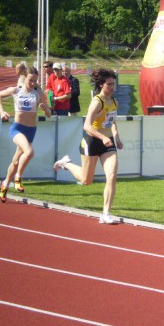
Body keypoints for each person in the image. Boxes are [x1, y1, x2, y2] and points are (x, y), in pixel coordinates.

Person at [53, 69, 123, 224]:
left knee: (111, 176)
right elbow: (87, 126)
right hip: (91, 141)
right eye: (109, 84)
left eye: (113, 84)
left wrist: (116, 137)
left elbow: (112, 122)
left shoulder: (114, 101)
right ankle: (66, 163)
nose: (112, 87)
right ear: (101, 85)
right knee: (86, 180)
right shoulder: (97, 101)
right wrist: (103, 137)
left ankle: (105, 213)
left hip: (108, 143)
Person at [0, 66, 51, 203]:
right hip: (17, 128)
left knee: (15, 161)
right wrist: (2, 112)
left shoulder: (38, 92)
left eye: (35, 80)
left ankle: (5, 185)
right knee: (29, 152)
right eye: (30, 80)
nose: (32, 83)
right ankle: (18, 177)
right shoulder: (17, 90)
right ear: (24, 78)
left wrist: (45, 109)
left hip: (31, 130)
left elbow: (49, 114)